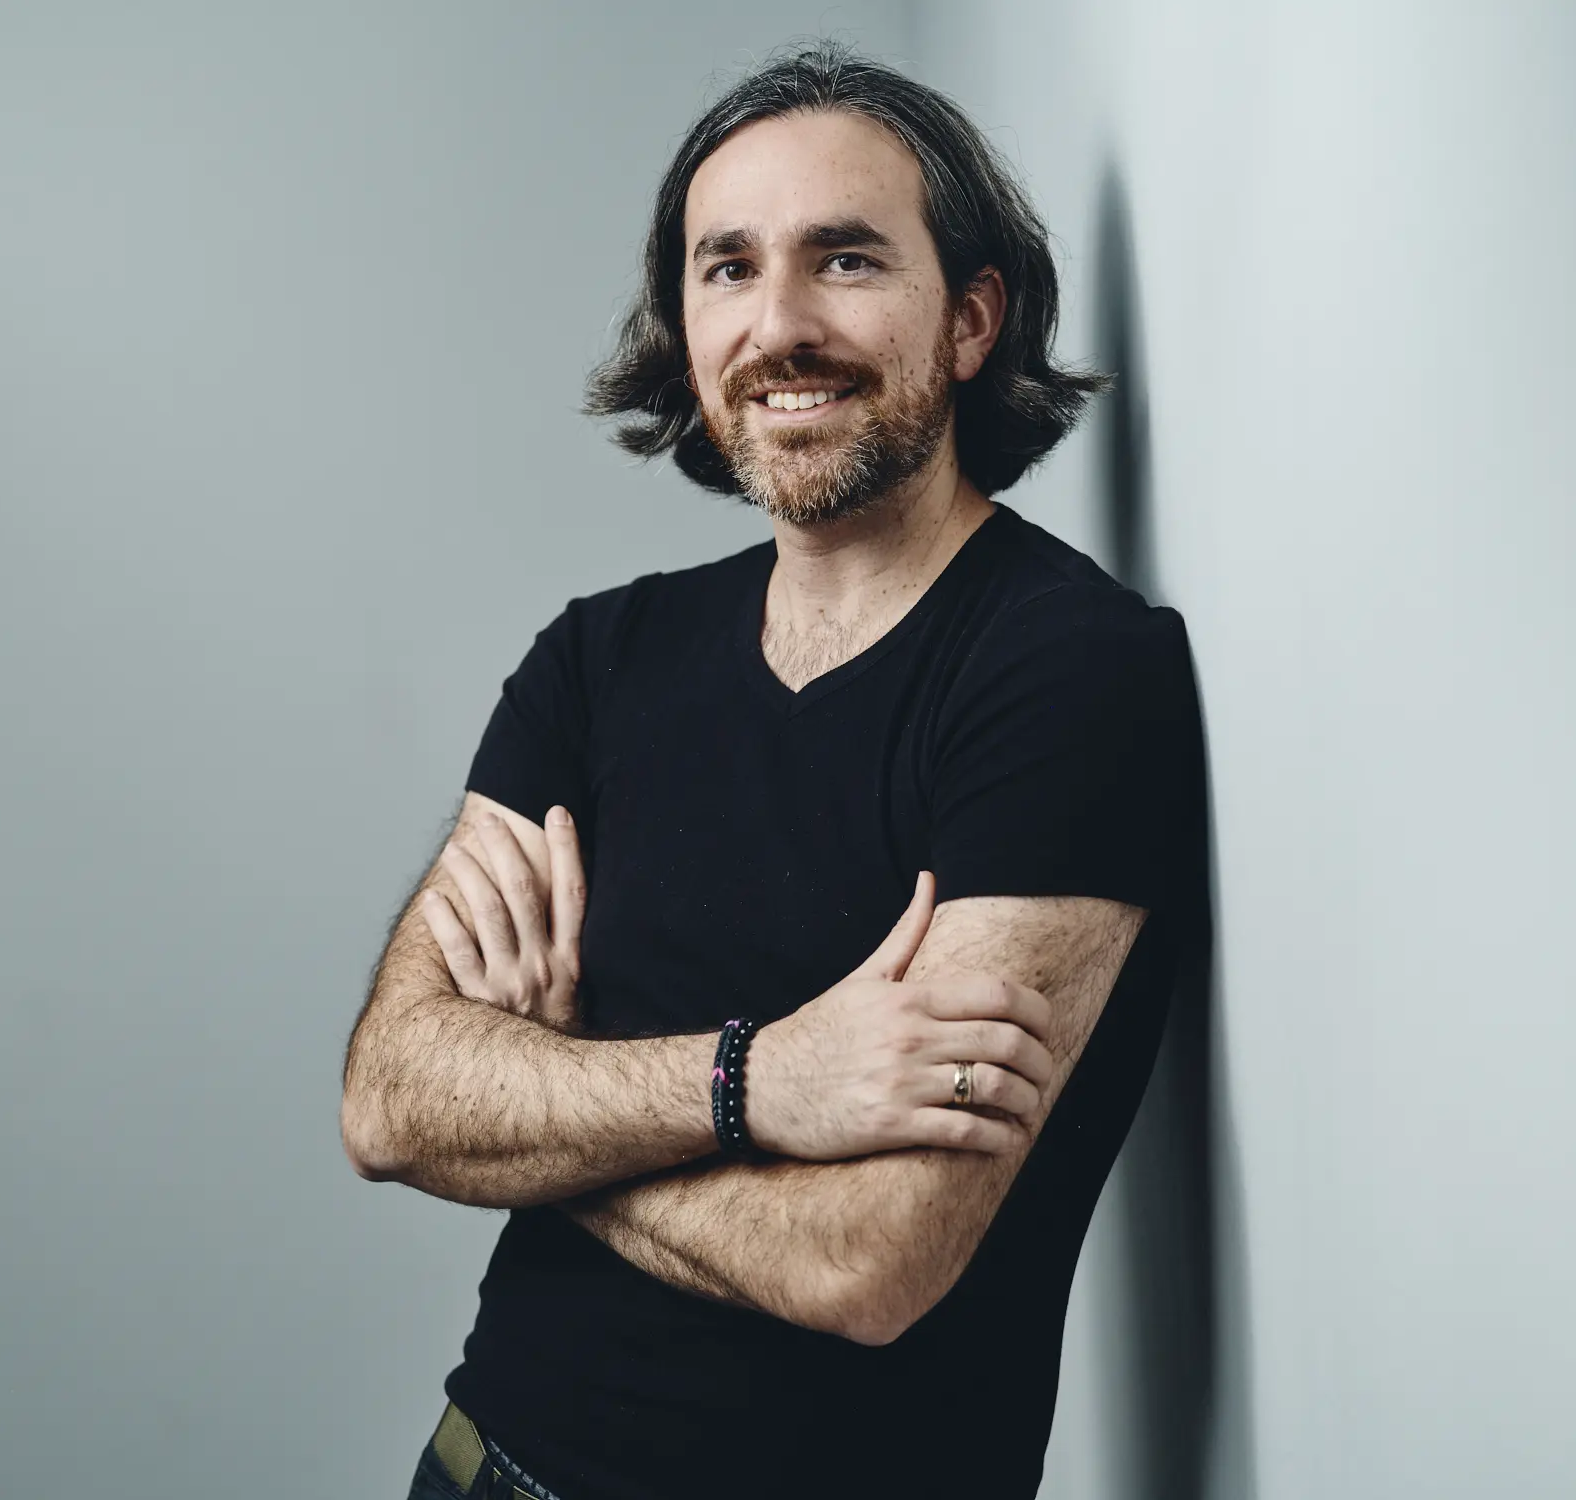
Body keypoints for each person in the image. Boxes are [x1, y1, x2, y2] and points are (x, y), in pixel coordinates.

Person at [340, 42, 1204, 1500]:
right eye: (728, 269)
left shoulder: (1069, 674)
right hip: (482, 1471)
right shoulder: (597, 660)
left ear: (972, 319)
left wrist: (555, 1096)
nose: (780, 326)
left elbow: (870, 1263)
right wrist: (760, 1084)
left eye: (846, 259)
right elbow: (390, 1099)